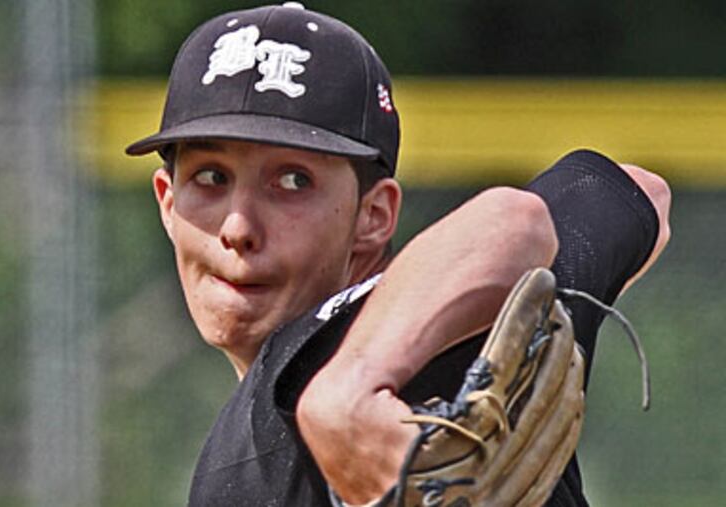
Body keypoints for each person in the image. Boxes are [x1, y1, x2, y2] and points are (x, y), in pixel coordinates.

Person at [125, 3, 671, 506]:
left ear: (374, 216)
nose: (239, 227)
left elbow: (519, 219)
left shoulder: (358, 354)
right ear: (168, 204)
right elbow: (630, 190)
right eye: (211, 177)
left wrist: (347, 390)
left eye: (292, 181)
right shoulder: (459, 316)